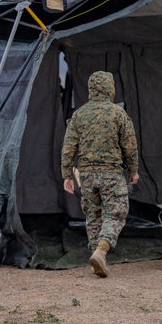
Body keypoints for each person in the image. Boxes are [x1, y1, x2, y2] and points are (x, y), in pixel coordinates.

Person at [61, 71, 139, 277]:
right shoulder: (118, 114)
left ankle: (96, 255)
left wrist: (67, 175)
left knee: (93, 216)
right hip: (111, 174)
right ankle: (101, 251)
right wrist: (133, 170)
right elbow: (130, 146)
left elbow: (68, 147)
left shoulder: (79, 114)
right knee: (115, 213)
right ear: (110, 89)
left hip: (86, 175)